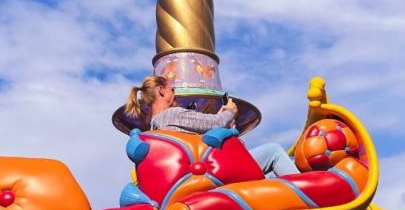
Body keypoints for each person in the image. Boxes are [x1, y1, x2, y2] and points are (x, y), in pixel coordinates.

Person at [125, 75, 299, 177]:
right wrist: (230, 111)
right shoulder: (171, 114)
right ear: (160, 91)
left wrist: (223, 121)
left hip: (190, 176)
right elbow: (216, 123)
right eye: (172, 90)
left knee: (268, 177)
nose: (175, 94)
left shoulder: (153, 129)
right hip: (214, 170)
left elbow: (206, 130)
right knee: (274, 151)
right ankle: (306, 190)